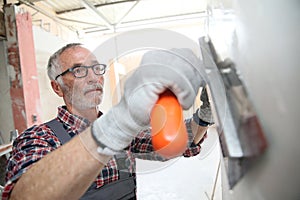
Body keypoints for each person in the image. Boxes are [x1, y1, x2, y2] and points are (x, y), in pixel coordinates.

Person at [2, 43, 214, 200]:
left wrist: (205, 114)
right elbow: (24, 197)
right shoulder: (39, 137)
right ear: (57, 87)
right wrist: (120, 122)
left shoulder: (126, 134)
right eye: (79, 70)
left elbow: (175, 144)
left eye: (97, 68)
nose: (94, 77)